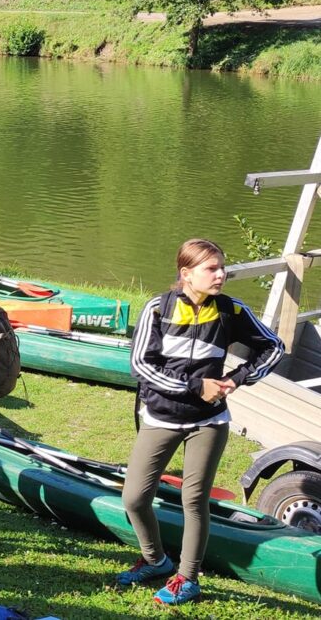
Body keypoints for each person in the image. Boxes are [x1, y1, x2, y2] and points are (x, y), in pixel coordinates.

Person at [118, 238, 283, 605]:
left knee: (195, 501)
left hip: (209, 422)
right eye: (212, 268)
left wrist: (237, 378)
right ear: (186, 273)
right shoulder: (158, 309)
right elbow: (141, 366)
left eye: (222, 267)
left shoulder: (231, 311)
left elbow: (274, 346)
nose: (221, 274)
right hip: (161, 416)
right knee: (134, 498)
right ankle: (155, 559)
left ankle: (187, 578)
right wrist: (196, 384)